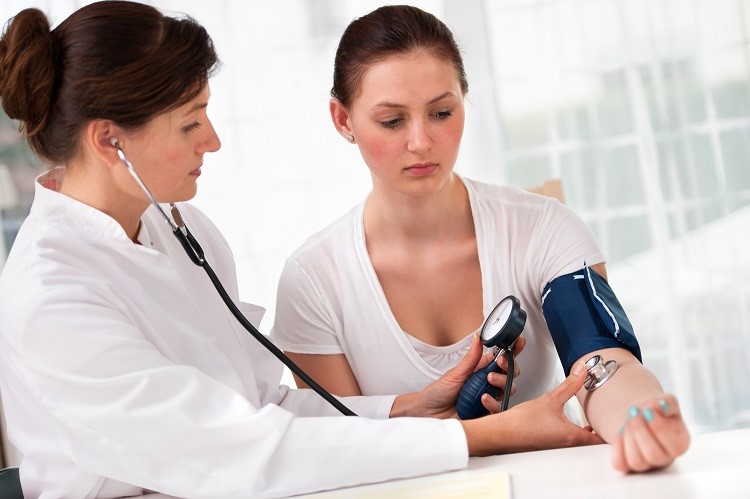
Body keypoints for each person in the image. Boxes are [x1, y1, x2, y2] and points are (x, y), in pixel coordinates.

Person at [0, 2, 611, 497]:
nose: (211, 142)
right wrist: (486, 435)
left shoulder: (181, 230)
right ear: (111, 142)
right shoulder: (52, 296)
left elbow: (261, 406)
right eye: (190, 123)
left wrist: (408, 407)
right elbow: (246, 451)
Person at [271, 4, 690, 473]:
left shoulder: (541, 228)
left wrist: (637, 420)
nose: (422, 142)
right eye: (392, 121)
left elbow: (601, 363)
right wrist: (487, 436)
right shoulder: (313, 280)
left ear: (465, 98)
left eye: (442, 112)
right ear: (343, 120)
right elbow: (341, 446)